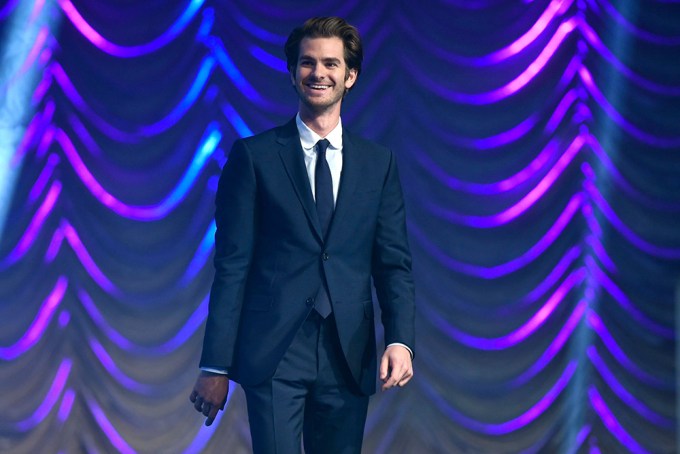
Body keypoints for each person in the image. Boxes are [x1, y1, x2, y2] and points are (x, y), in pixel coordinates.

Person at [189, 16, 415, 454]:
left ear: (350, 76)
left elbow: (394, 263)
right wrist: (215, 365)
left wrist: (400, 339)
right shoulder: (253, 158)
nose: (318, 73)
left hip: (348, 354)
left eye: (331, 64)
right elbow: (232, 267)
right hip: (274, 353)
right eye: (307, 63)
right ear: (292, 73)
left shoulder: (378, 164)